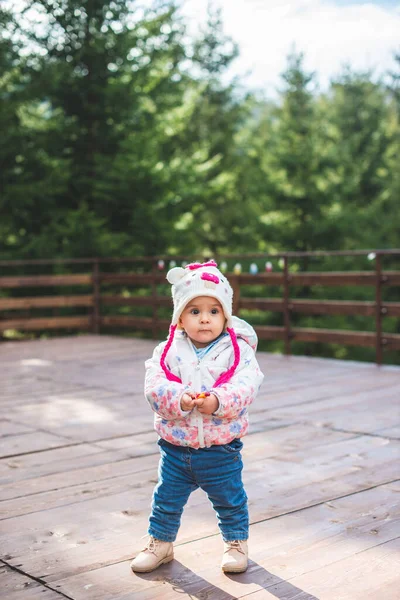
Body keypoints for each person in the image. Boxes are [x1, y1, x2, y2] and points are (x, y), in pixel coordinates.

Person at [130, 260, 264, 574]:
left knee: (230, 500)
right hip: (176, 448)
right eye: (194, 311)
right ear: (180, 316)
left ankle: (236, 543)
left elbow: (247, 384)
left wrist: (218, 400)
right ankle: (160, 543)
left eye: (213, 311)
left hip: (221, 449)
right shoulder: (167, 351)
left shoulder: (237, 351)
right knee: (165, 500)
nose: (204, 319)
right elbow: (155, 386)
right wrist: (179, 399)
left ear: (226, 315)